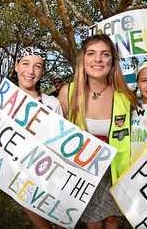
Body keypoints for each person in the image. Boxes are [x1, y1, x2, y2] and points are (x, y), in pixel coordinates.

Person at [0, 45, 63, 229]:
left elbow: (61, 143)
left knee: (62, 225)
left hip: (51, 178)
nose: (30, 71)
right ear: (16, 66)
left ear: (42, 71)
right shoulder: (1, 103)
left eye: (37, 66)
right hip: (21, 180)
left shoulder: (53, 103)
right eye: (26, 63)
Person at [58, 34, 137, 229]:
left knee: (112, 221)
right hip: (84, 174)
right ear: (82, 59)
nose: (98, 59)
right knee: (92, 223)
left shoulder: (125, 96)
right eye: (91, 53)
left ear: (112, 61)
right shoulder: (68, 93)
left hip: (115, 172)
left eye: (105, 54)